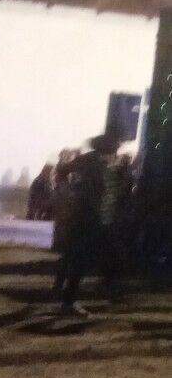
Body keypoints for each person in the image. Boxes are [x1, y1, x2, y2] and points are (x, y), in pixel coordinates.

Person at [53, 132, 129, 312]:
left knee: (112, 256)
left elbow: (115, 188)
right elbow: (62, 170)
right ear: (106, 144)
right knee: (79, 258)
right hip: (88, 218)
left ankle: (104, 289)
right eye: (116, 142)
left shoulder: (114, 162)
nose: (119, 146)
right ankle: (68, 299)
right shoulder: (88, 160)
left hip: (105, 219)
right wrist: (68, 192)